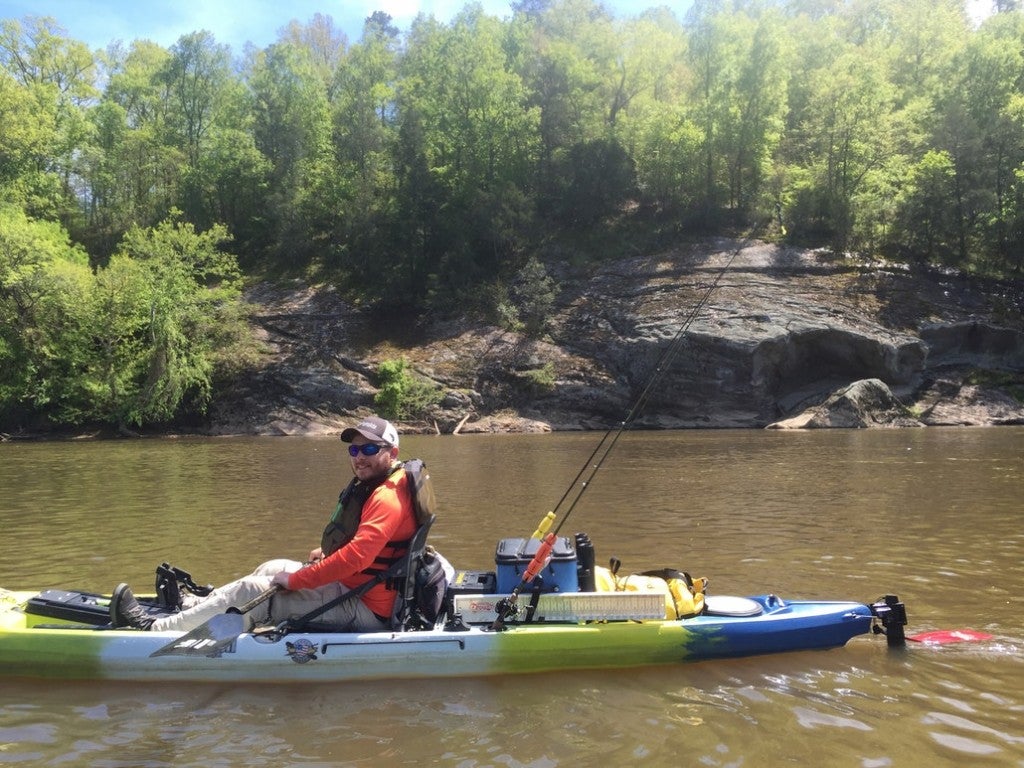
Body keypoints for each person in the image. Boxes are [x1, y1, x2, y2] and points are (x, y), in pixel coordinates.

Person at [109, 416, 419, 633]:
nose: (359, 457)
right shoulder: (390, 482)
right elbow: (363, 548)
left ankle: (152, 627)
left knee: (253, 590)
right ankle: (197, 605)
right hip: (358, 588)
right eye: (354, 449)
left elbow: (357, 559)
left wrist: (297, 581)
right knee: (271, 568)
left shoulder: (387, 497)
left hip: (367, 607)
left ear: (392, 453)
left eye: (369, 449)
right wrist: (321, 559)